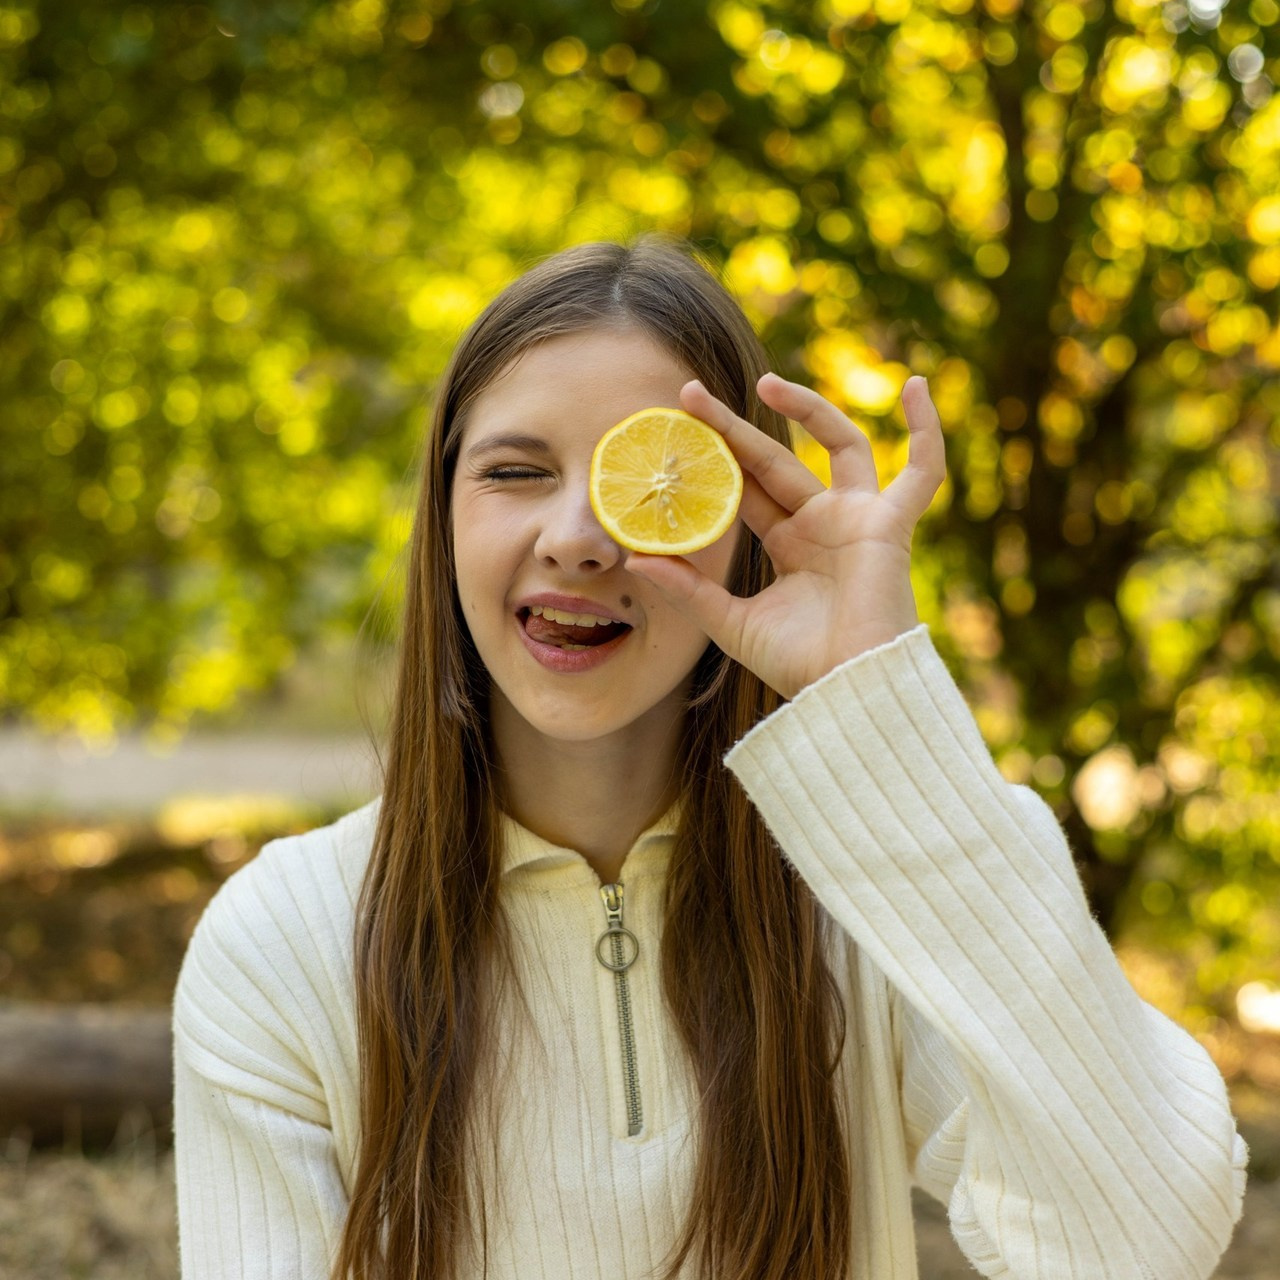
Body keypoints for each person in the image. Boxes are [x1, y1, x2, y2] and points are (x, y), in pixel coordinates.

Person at [172, 238, 1246, 1280]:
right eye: (515, 469)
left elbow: (1138, 1240)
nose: (581, 534)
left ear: (740, 525)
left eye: (649, 480)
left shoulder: (865, 905)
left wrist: (876, 713)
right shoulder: (284, 943)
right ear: (444, 515)